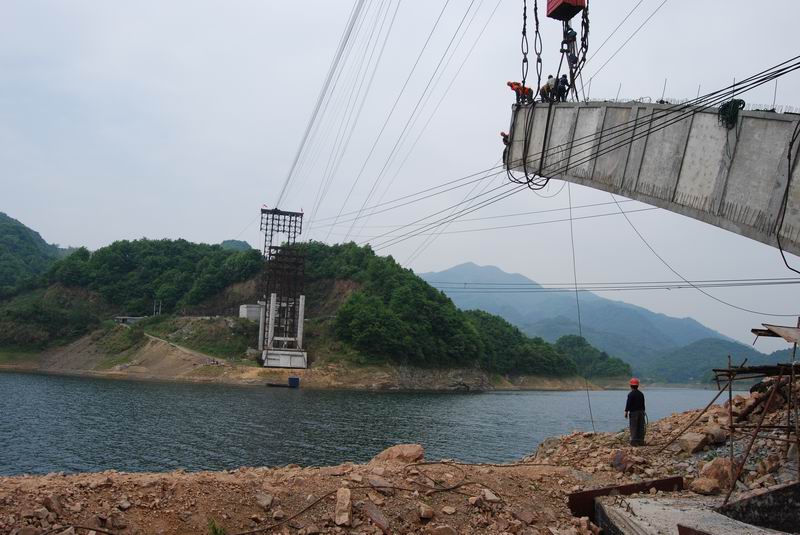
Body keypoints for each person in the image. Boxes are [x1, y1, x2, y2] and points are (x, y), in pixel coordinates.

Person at [625, 378, 646, 446]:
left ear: (631, 386)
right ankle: (641, 441)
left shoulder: (630, 394)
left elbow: (628, 404)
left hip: (634, 413)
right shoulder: (641, 394)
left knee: (633, 427)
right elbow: (643, 404)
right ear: (638, 385)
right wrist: (643, 412)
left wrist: (626, 412)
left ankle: (634, 442)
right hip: (641, 412)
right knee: (641, 426)